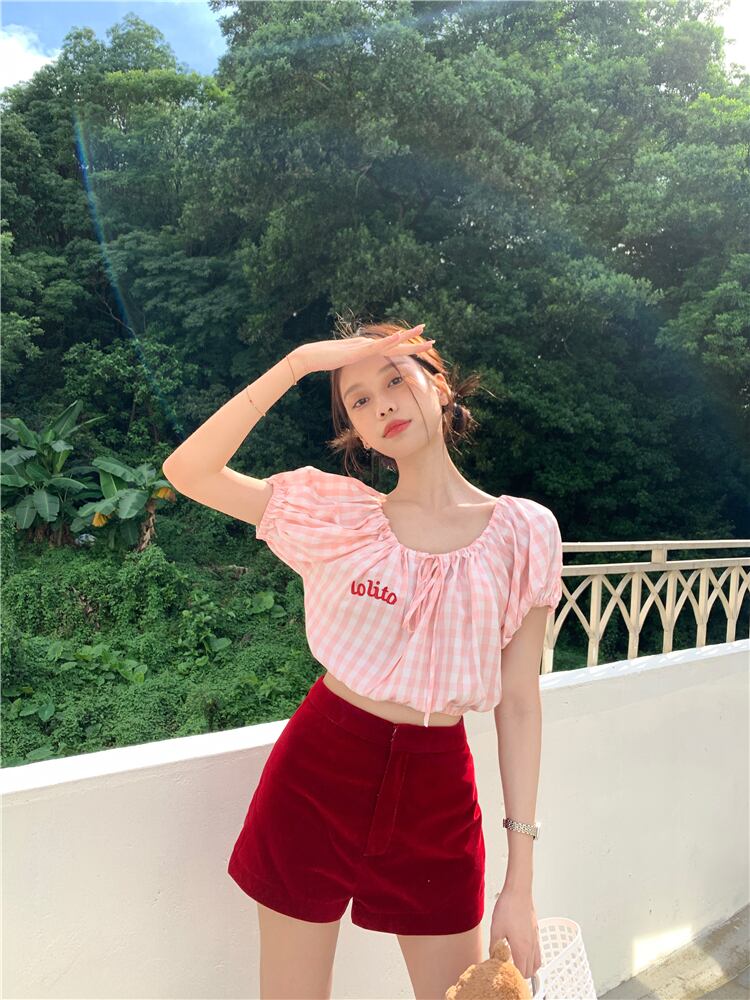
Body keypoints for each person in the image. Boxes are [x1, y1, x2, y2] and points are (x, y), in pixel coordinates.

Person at [162, 319, 563, 999]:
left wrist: (518, 885)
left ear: (439, 386)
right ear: (356, 430)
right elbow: (188, 471)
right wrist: (297, 363)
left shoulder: (524, 531)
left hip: (437, 791)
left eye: (394, 380)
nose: (382, 405)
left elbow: (520, 703)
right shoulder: (339, 518)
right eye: (359, 400)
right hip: (318, 772)